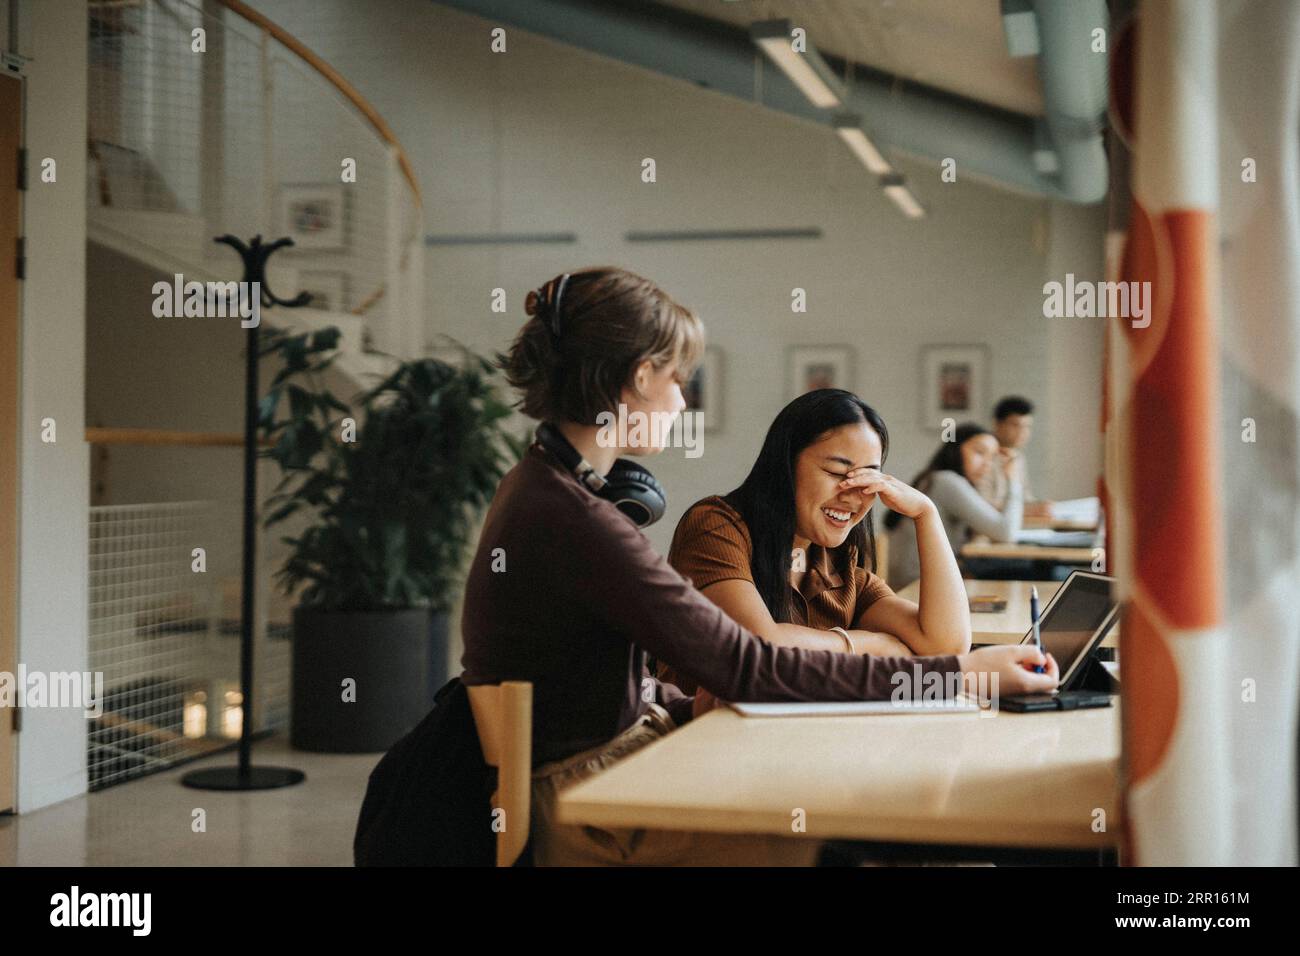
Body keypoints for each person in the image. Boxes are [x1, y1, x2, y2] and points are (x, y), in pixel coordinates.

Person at [460, 267, 1058, 866]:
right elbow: (752, 663)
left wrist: (681, 700)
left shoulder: (545, 487)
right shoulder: (581, 519)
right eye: (678, 381)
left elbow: (622, 675)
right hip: (595, 802)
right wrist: (961, 678)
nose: (681, 401)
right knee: (854, 839)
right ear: (640, 376)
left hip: (617, 763)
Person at [661, 389, 970, 714]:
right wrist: (868, 644)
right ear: (786, 464)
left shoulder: (839, 566)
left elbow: (945, 645)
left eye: (867, 477)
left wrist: (926, 514)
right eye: (837, 473)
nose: (853, 494)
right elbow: (762, 649)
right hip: (699, 745)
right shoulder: (715, 526)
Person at [885, 423, 1023, 587]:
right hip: (916, 584)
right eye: (979, 452)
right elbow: (1006, 532)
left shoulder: (938, 478)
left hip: (923, 579)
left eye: (992, 457)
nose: (987, 463)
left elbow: (993, 519)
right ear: (956, 449)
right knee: (1022, 571)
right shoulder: (947, 481)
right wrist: (1013, 480)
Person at [978, 396, 1053, 518]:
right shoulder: (982, 456)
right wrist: (1025, 510)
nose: (1022, 432)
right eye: (1015, 425)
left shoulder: (1018, 457)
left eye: (1027, 426)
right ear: (997, 424)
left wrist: (1039, 507)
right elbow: (982, 505)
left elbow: (1024, 497)